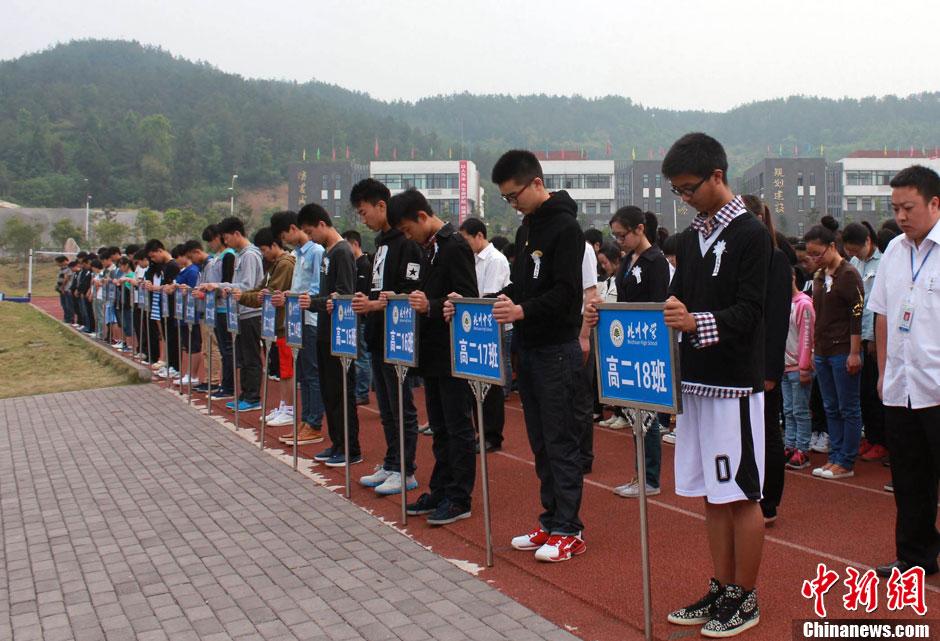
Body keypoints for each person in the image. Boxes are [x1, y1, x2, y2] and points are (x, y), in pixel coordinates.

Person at [661, 133, 771, 636]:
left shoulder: (751, 233)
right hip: (696, 385)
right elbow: (676, 303)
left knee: (742, 494)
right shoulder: (689, 239)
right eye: (677, 191)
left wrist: (694, 322)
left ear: (718, 177)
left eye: (689, 187)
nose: (684, 197)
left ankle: (745, 596)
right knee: (711, 491)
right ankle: (722, 587)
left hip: (734, 386)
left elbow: (751, 312)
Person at [489, 150, 587, 563]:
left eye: (514, 196)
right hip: (527, 348)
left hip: (556, 351)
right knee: (540, 442)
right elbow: (519, 286)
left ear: (535, 183)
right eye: (506, 200)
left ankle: (570, 529)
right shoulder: (527, 229)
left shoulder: (566, 228)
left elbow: (567, 294)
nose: (512, 204)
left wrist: (522, 310)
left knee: (561, 440)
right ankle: (550, 520)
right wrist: (484, 301)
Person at [390, 189, 478, 526]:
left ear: (422, 217)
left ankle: (460, 497)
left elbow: (468, 298)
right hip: (433, 351)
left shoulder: (454, 245)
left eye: (408, 229)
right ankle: (441, 488)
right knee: (440, 427)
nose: (407, 236)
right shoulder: (429, 247)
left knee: (457, 428)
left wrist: (434, 305)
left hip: (452, 352)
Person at [869, 165, 940, 578]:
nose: (900, 216)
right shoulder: (894, 251)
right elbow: (882, 314)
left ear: (934, 203)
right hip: (900, 386)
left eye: (908, 207)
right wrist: (883, 372)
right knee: (910, 480)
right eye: (895, 208)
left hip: (936, 384)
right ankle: (915, 556)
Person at [350, 179, 423, 495]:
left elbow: (409, 292)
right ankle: (392, 462)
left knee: (401, 405)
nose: (363, 221)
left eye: (365, 213)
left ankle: (406, 470)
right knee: (387, 407)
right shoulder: (381, 244)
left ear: (382, 205)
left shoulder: (407, 242)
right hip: (377, 335)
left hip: (398, 339)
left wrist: (375, 303)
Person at [603, 207, 670, 499]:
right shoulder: (629, 260)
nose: (619, 240)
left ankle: (650, 478)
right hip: (626, 343)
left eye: (622, 234)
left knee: (648, 416)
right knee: (634, 413)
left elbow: (657, 303)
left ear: (640, 229)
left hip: (648, 343)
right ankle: (640, 474)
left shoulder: (656, 261)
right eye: (615, 235)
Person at [299, 204, 362, 467]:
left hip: (340, 335)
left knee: (341, 392)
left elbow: (343, 295)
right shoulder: (327, 253)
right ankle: (336, 442)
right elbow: (328, 296)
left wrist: (314, 303)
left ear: (322, 225)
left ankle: (350, 448)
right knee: (329, 391)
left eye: (310, 231)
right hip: (325, 332)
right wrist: (314, 301)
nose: (309, 237)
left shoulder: (342, 252)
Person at [742, 195, 791, 527]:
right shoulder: (741, 258)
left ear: (759, 218)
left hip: (764, 361)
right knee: (745, 430)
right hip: (739, 360)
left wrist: (772, 368)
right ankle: (748, 493)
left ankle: (769, 501)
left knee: (768, 429)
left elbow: (777, 319)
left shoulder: (776, 259)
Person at [804, 224, 864, 480]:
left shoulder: (848, 274)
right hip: (824, 350)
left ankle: (846, 461)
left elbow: (856, 315)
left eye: (818, 253)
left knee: (848, 406)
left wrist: (854, 352)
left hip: (843, 350)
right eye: (811, 255)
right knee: (830, 406)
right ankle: (836, 455)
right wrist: (816, 349)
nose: (814, 259)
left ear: (831, 247)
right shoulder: (820, 276)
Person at [269, 210, 327, 446]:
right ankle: (305, 420)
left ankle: (314, 423)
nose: (285, 242)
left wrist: (291, 297)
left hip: (311, 320)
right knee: (303, 374)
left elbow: (316, 289)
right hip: (298, 320)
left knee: (312, 374)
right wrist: (287, 295)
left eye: (285, 236)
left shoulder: (316, 252)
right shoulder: (300, 254)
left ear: (294, 228)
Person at [459, 216, 511, 453]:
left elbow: (489, 296)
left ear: (479, 235)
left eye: (467, 239)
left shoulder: (495, 260)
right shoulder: (473, 259)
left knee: (491, 386)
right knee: (475, 384)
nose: (465, 244)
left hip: (493, 327)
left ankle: (492, 435)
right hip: (475, 328)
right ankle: (480, 430)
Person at [235, 227, 297, 426]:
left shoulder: (286, 263)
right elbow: (261, 289)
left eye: (264, 250)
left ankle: (289, 409)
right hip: (276, 324)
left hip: (284, 324)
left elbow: (270, 292)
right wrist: (244, 295)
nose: (263, 255)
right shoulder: (275, 264)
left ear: (274, 245)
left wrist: (247, 296)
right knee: (281, 368)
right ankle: (283, 405)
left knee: (287, 370)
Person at [206, 217, 265, 411]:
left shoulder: (249, 255)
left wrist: (221, 286)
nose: (226, 242)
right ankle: (245, 394)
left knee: (251, 357)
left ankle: (253, 397)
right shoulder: (242, 254)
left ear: (237, 234)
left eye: (227, 238)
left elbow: (248, 286)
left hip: (250, 312)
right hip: (240, 312)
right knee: (243, 357)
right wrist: (227, 288)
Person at [843, 221, 887, 463]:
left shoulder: (883, 263)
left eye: (855, 249)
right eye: (849, 251)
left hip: (872, 336)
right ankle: (870, 437)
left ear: (868, 242)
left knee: (874, 390)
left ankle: (882, 440)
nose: (852, 254)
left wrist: (870, 339)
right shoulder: (854, 263)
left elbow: (876, 306)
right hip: (856, 335)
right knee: (863, 392)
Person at [782, 267, 815, 470]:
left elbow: (807, 337)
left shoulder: (804, 305)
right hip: (785, 366)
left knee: (800, 410)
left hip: (798, 366)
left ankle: (802, 449)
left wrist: (804, 367)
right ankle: (791, 445)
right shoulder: (782, 304)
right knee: (788, 410)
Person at [342, 229, 373, 406]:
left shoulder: (364, 265)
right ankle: (358, 389)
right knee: (357, 356)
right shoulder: (352, 263)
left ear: (355, 244)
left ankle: (362, 391)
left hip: (362, 317)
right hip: (352, 317)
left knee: (362, 357)